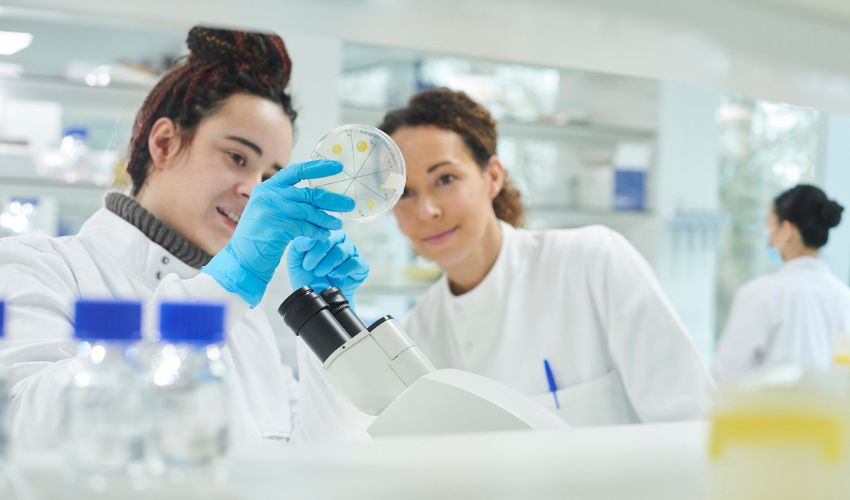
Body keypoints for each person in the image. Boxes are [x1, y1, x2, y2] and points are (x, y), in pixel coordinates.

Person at [0, 26, 368, 447]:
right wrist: (228, 284)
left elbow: (316, 464)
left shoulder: (246, 323)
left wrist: (326, 324)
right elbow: (24, 429)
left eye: (270, 176)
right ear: (164, 143)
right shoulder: (36, 268)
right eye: (237, 157)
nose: (255, 191)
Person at [293, 88, 712, 441]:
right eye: (405, 193)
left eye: (445, 179)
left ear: (492, 176)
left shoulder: (591, 261)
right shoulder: (417, 334)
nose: (427, 211)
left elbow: (693, 424)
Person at [713, 185, 850, 381]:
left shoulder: (760, 294)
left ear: (786, 230)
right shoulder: (845, 298)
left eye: (770, 228)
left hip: (766, 402)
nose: (769, 239)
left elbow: (725, 377)